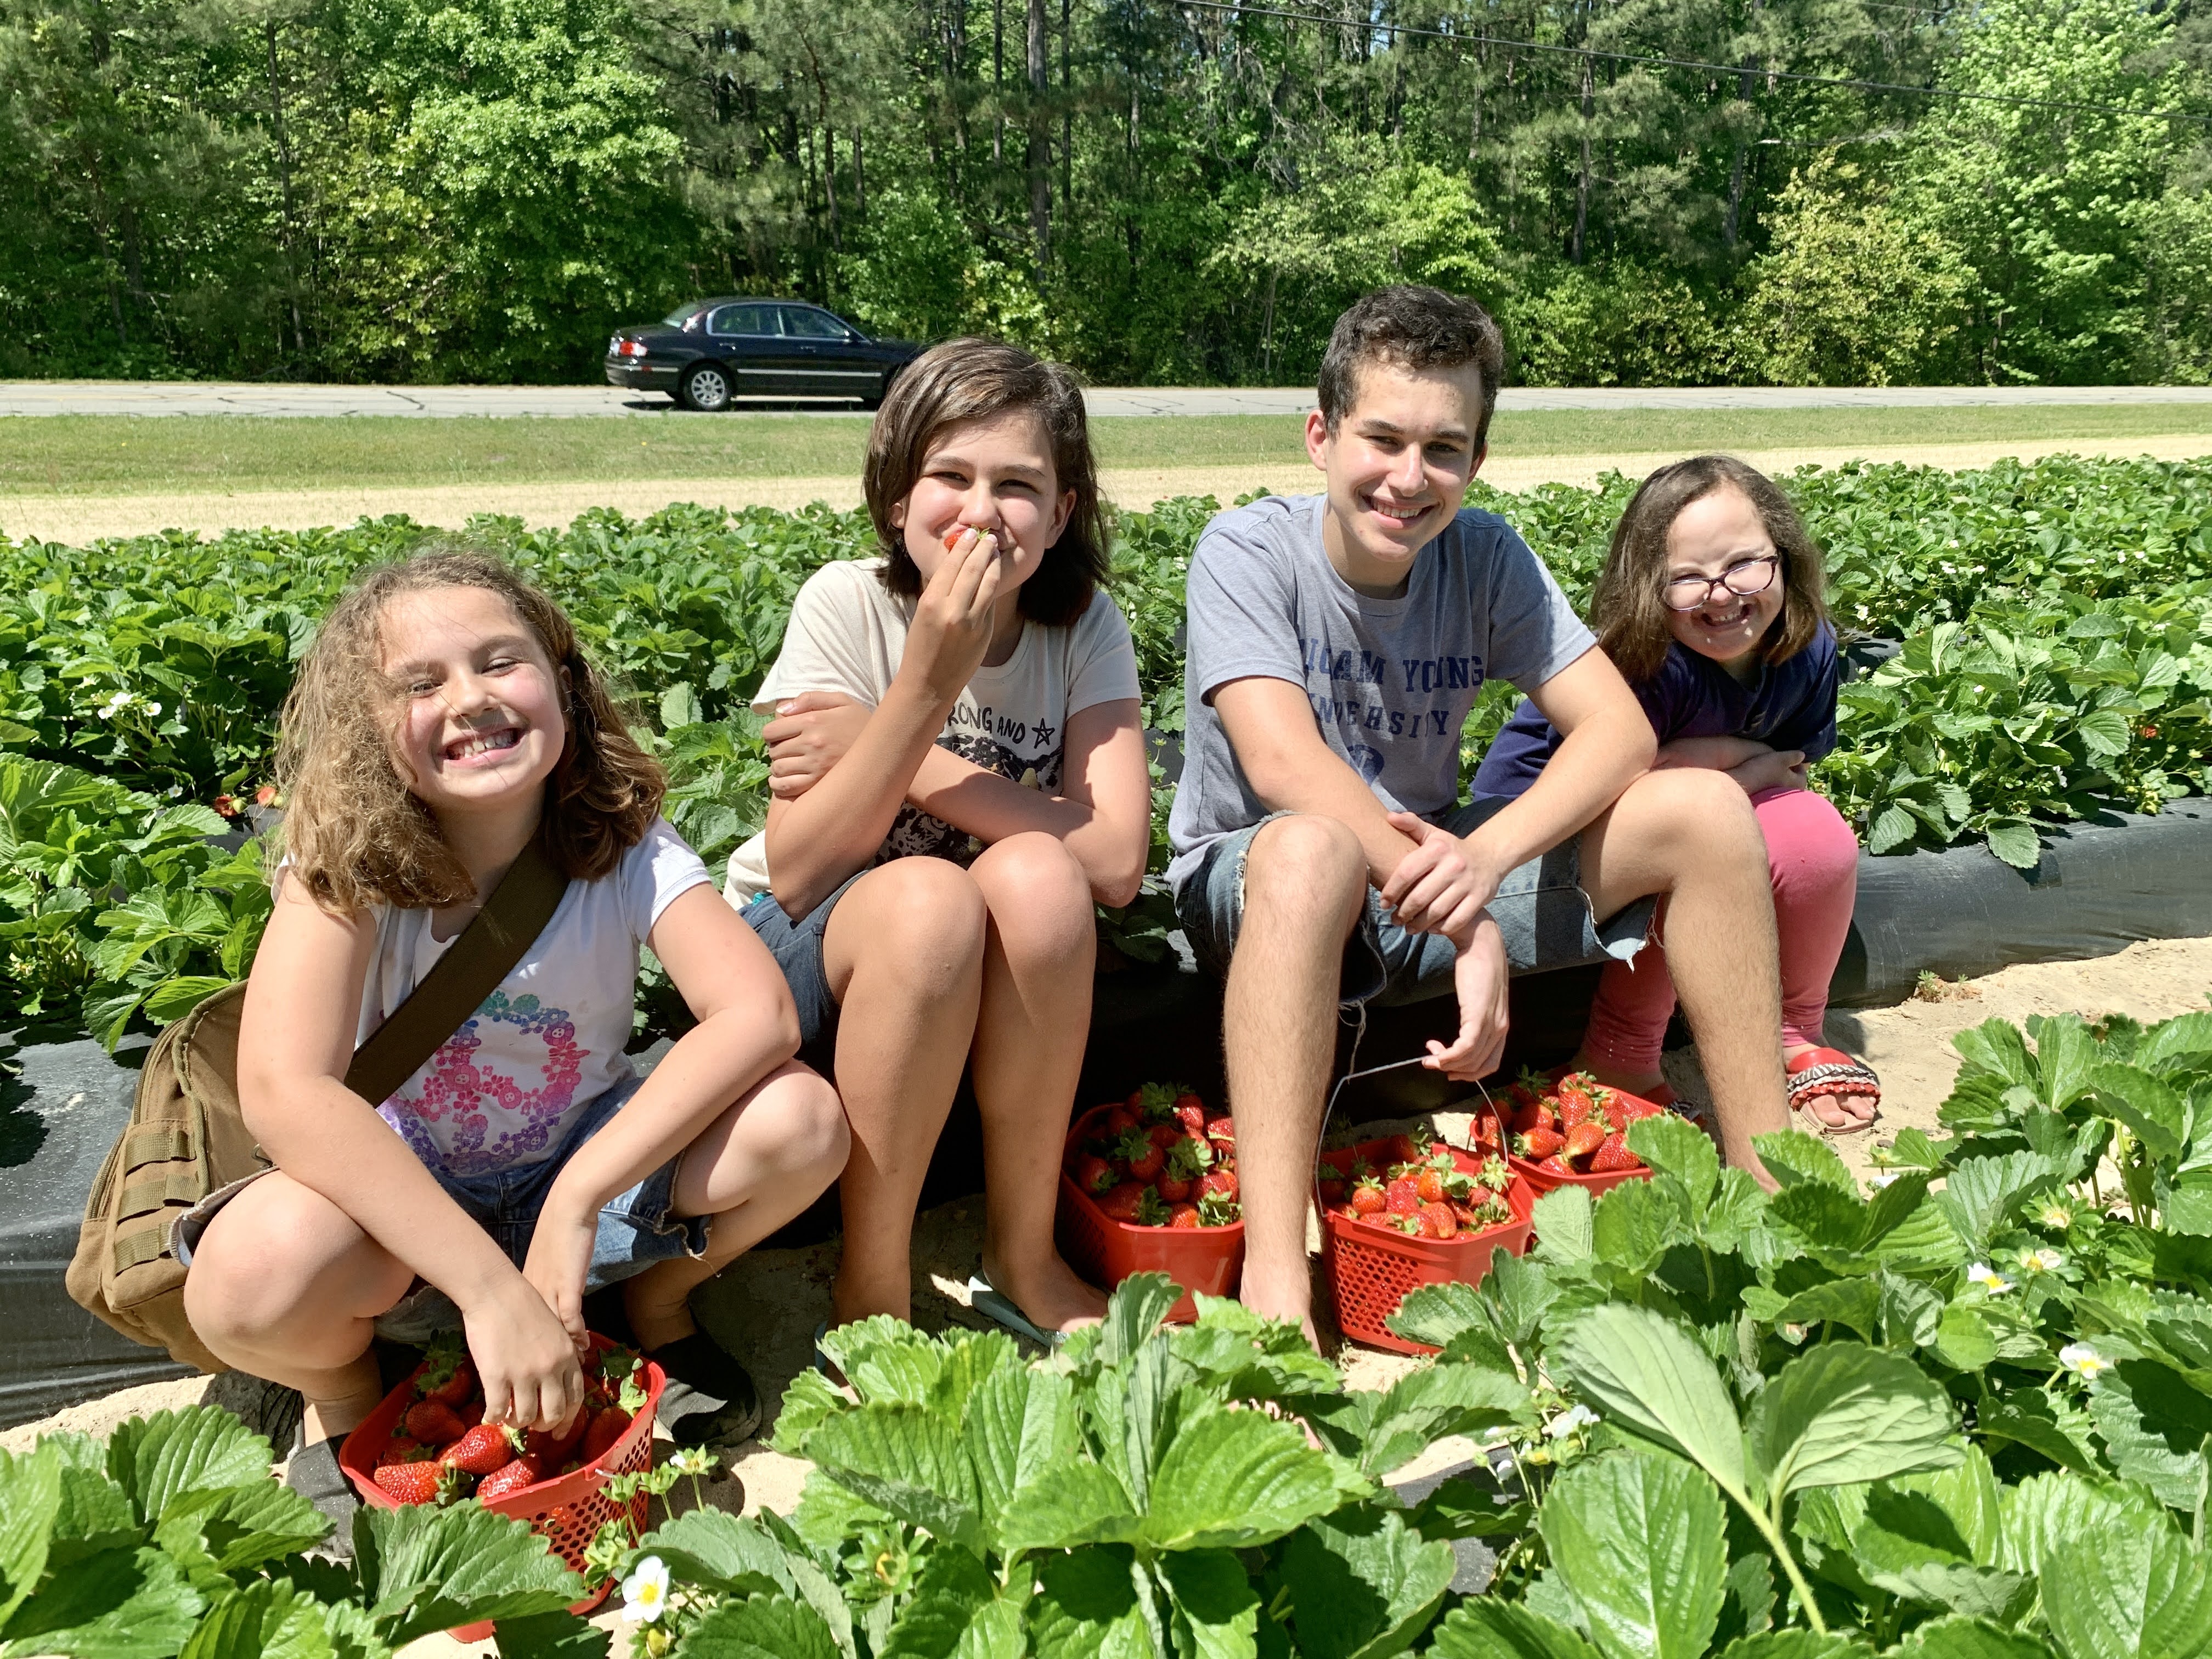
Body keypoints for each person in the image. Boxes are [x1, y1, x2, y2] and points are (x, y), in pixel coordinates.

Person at [178, 549, 849, 1536]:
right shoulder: (343, 864)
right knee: (246, 1272)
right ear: (367, 726)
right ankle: (355, 1404)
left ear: (564, 682)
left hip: (577, 1163)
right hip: (404, 1201)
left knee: (802, 1118)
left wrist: (578, 1197)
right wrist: (488, 1284)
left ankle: (651, 1308)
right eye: (420, 682)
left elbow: (759, 1014)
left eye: (501, 661)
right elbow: (285, 1087)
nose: (470, 698)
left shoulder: (623, 841)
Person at [1167, 285, 1793, 1336]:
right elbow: (1278, 759)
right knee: (1313, 846)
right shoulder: (1244, 549)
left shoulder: (1486, 555)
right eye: (1382, 438)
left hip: (1429, 870)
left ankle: (1778, 1195)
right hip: (1262, 879)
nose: (1409, 478)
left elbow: (1619, 734)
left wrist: (1482, 857)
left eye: (1444, 448)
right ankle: (1276, 1283)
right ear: (1320, 434)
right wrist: (1465, 915)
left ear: (1476, 459)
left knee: (1702, 808)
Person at [727, 336, 1150, 1343]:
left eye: (1017, 484)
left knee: (1041, 878)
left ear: (1060, 513)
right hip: (808, 955)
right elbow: (799, 868)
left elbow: (1115, 863)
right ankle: (870, 1281)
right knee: (927, 896)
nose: (978, 508)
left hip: (973, 969)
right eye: (948, 475)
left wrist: (898, 749)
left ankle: (1022, 1251)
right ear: (893, 498)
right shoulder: (848, 604)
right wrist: (922, 683)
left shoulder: (1083, 628)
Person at [1474, 455, 1876, 1136]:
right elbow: (1641, 789)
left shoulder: (1808, 653)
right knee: (1693, 836)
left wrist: (1720, 767)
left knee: (1817, 836)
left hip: (1676, 809)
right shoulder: (1644, 664)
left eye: (1746, 565)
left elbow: (1796, 771)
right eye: (1686, 579)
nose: (1721, 596)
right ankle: (1621, 1053)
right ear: (1646, 589)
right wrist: (1740, 766)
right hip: (1537, 840)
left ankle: (1794, 1027)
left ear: (1785, 557)